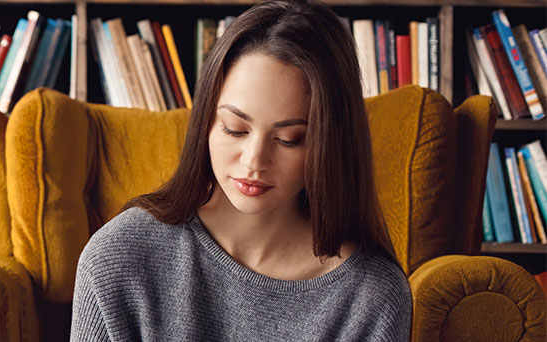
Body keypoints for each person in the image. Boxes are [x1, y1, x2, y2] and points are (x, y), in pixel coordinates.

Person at [68, 0, 411, 340]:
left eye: (289, 139)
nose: (253, 161)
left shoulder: (372, 296)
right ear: (206, 120)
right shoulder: (119, 255)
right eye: (235, 128)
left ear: (331, 146)